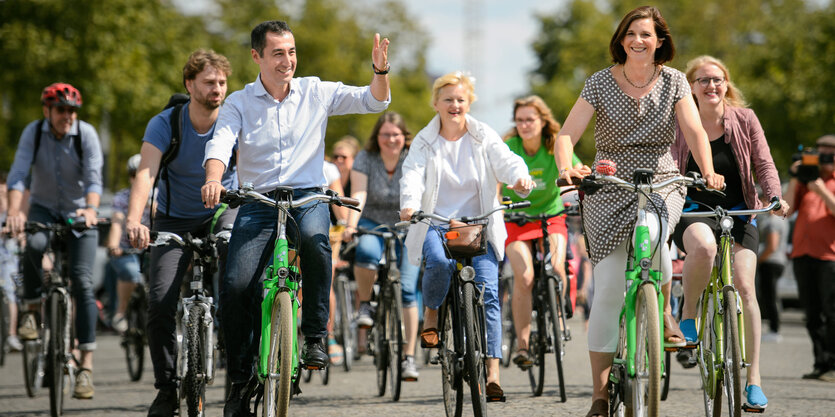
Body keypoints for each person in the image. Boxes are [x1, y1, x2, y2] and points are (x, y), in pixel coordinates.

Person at [200, 20, 391, 416]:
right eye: (277, 53)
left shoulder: (315, 91)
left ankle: (315, 336)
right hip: (256, 201)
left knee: (319, 245)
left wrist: (379, 72)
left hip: (307, 197)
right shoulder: (239, 101)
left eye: (291, 52)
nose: (287, 61)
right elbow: (221, 142)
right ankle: (238, 381)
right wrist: (214, 178)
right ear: (256, 56)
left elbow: (374, 102)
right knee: (236, 286)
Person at [552, 7, 724, 416]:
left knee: (656, 242)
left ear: (659, 40)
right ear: (622, 39)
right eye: (631, 33)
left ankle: (662, 311)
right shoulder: (599, 82)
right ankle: (599, 393)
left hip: (660, 178)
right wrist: (568, 166)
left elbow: (695, 130)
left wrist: (709, 170)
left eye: (646, 34)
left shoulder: (675, 81)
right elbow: (565, 135)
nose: (638, 40)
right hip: (609, 180)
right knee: (609, 289)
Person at [399, 71, 534, 401]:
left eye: (460, 99)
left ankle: (492, 374)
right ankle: (432, 311)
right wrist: (409, 205)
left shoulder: (482, 134)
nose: (454, 105)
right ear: (436, 103)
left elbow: (506, 160)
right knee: (440, 265)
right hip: (437, 222)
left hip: (478, 225)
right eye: (448, 99)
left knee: (488, 292)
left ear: (469, 102)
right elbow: (412, 174)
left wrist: (519, 178)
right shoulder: (425, 141)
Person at [670, 55, 788, 410]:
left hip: (739, 212)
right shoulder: (679, 121)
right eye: (703, 80)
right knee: (704, 248)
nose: (711, 86)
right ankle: (688, 314)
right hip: (692, 212)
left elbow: (763, 163)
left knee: (746, 287)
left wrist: (774, 196)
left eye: (718, 79)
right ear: (690, 86)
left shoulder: (744, 119)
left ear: (727, 84)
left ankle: (753, 380)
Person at [125, 49, 238, 417]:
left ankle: (240, 379)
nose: (217, 89)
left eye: (222, 82)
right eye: (209, 82)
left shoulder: (235, 121)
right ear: (190, 84)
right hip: (173, 218)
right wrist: (135, 219)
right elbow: (146, 173)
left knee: (240, 288)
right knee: (159, 302)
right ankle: (166, 389)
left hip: (223, 211)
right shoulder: (166, 123)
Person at [4, 82, 104, 399]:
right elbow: (19, 174)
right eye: (61, 109)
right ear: (47, 110)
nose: (67, 116)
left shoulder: (86, 134)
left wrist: (90, 208)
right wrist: (15, 212)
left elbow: (94, 176)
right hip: (43, 208)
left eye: (72, 110)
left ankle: (85, 367)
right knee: (33, 245)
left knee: (83, 282)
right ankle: (32, 308)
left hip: (79, 212)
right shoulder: (33, 133)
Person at [499, 95, 580, 370]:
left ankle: (557, 318)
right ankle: (522, 345)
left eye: (530, 119)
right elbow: (495, 180)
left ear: (543, 121)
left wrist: (580, 173)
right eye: (519, 120)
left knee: (557, 267)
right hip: (516, 219)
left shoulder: (555, 143)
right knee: (524, 276)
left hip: (551, 216)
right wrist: (497, 203)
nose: (524, 125)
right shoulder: (508, 147)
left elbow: (572, 167)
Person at [343, 112, 422, 380]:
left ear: (404, 136)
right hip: (373, 220)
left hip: (407, 225)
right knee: (365, 251)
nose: (391, 139)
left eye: (396, 134)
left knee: (409, 290)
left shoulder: (413, 156)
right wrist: (351, 225)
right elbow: (359, 193)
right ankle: (366, 304)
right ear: (377, 137)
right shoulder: (366, 158)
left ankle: (409, 358)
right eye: (385, 134)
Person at [784, 134, 835, 382]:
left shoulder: (828, 183)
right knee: (812, 313)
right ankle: (821, 363)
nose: (824, 157)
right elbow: (788, 209)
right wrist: (796, 179)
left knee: (832, 311)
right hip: (803, 253)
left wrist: (822, 189)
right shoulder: (805, 181)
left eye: (829, 153)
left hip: (830, 256)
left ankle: (833, 363)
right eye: (820, 152)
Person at [106, 154, 149, 333]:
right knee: (131, 273)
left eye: (142, 175)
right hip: (126, 247)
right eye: (134, 175)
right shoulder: (122, 197)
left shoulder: (159, 196)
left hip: (151, 247)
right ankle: (121, 312)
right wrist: (113, 245)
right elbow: (117, 222)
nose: (137, 179)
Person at [756, 186, 789, 343]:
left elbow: (772, 246)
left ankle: (774, 329)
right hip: (778, 261)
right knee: (771, 296)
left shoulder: (772, 222)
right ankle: (773, 328)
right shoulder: (782, 220)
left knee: (770, 296)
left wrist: (758, 260)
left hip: (771, 262)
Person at [0, 171, 24, 352]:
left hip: (10, 263)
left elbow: (23, 236)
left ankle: (11, 334)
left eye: (3, 194)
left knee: (11, 291)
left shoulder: (16, 214)